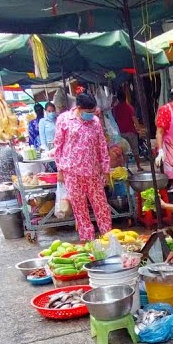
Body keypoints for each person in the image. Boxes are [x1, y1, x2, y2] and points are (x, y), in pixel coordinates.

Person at [53, 92, 113, 242]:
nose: (91, 115)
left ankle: (108, 238)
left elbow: (102, 146)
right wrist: (59, 169)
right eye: (88, 112)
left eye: (93, 112)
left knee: (102, 207)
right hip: (72, 173)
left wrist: (106, 170)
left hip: (93, 172)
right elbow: (58, 146)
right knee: (80, 209)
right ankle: (88, 240)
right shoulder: (64, 120)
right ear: (79, 108)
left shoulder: (95, 122)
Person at [112, 94, 141, 169]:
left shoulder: (115, 109)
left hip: (121, 132)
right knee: (135, 150)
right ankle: (138, 166)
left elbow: (115, 119)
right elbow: (134, 119)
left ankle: (125, 167)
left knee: (124, 151)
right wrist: (138, 129)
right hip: (131, 131)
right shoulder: (129, 107)